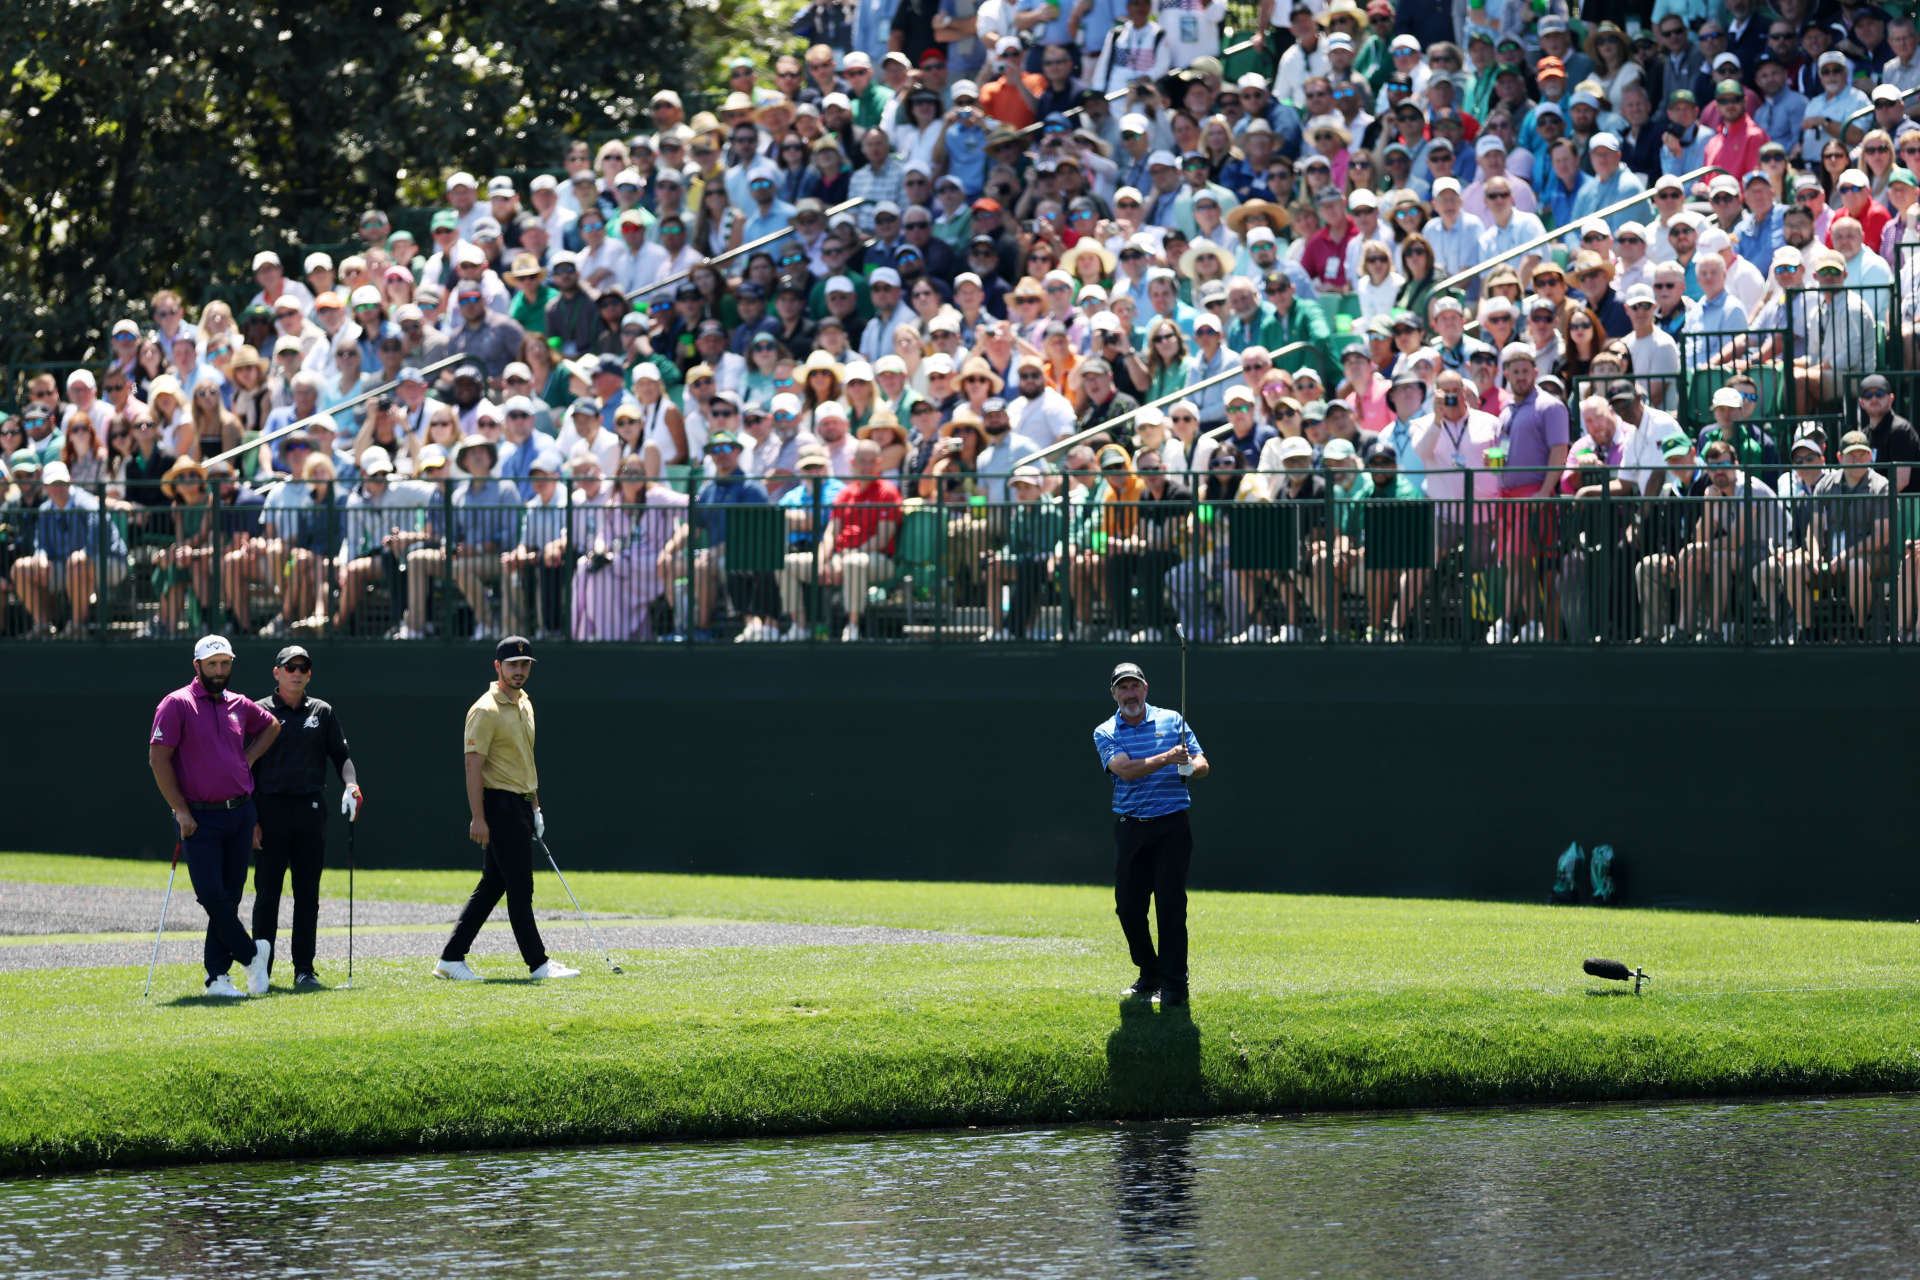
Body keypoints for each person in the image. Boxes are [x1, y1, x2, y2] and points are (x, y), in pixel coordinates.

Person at [435, 636, 580, 981]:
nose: (520, 670)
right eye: (513, 665)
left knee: (493, 885)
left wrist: (536, 806)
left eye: (525, 664)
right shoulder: (485, 709)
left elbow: (524, 760)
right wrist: (478, 817)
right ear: (498, 667)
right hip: (497, 805)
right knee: (520, 886)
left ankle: (451, 959)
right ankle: (538, 964)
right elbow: (473, 765)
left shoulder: (524, 703)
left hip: (520, 804)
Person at [147, 634, 280, 999]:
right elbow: (158, 759)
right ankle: (252, 954)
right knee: (210, 895)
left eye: (225, 664)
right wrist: (181, 810)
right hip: (199, 818)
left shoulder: (238, 703)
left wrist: (248, 758)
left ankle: (217, 978)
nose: (219, 671)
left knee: (230, 896)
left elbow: (271, 726)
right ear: (197, 666)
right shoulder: (177, 704)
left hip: (239, 813)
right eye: (212, 664)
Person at [1094, 661, 1208, 1009]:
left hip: (1171, 825)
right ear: (1114, 694)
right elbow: (1126, 771)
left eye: (1135, 686)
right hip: (1132, 827)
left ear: (1146, 688)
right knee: (1128, 908)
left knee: (1171, 906)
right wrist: (1168, 758)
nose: (1130, 693)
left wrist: (1188, 764)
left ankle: (1175, 985)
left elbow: (1202, 764)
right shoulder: (1106, 731)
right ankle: (1150, 971)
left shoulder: (1173, 720)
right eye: (1122, 688)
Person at [248, 644, 361, 989]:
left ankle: (304, 969)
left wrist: (351, 785)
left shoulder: (322, 712)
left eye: (303, 668)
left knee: (307, 893)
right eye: (290, 667)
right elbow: (244, 768)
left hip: (311, 810)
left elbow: (341, 756)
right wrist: (251, 818)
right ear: (277, 673)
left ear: (309, 673)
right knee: (267, 893)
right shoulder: (258, 712)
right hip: (269, 812)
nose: (297, 673)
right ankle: (261, 970)